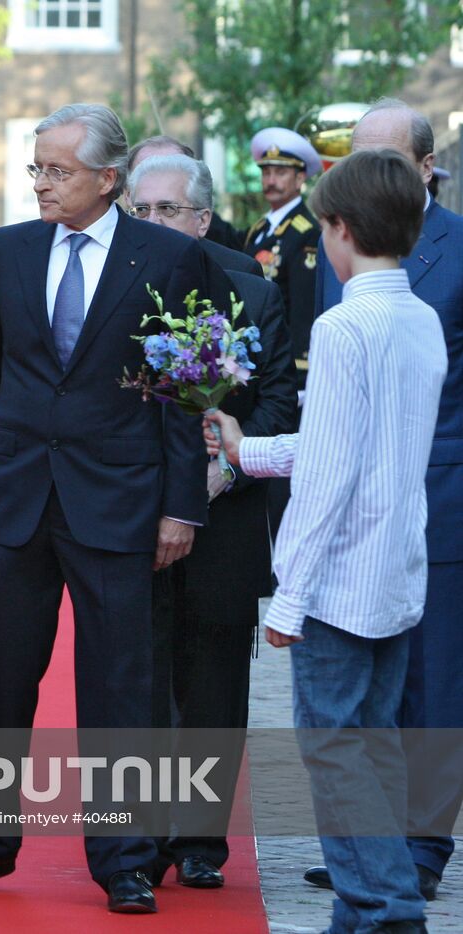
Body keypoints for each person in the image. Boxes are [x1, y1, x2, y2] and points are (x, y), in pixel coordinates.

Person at [0, 103, 224, 914]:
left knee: (119, 690)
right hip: (16, 499)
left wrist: (182, 507)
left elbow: (179, 396)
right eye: (35, 167)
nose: (41, 184)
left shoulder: (169, 256)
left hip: (120, 504)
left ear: (108, 179)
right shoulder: (10, 248)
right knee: (4, 684)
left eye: (57, 170)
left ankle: (124, 858)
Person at [206, 147, 445, 934]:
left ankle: (383, 907)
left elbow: (333, 471)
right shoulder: (421, 320)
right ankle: (367, 906)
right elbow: (354, 446)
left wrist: (292, 594)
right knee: (370, 746)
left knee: (336, 751)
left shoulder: (346, 325)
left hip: (343, 578)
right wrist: (250, 451)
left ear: (337, 229)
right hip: (397, 572)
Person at [305, 98, 463, 906]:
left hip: (431, 502)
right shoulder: (349, 264)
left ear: (426, 167)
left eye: (382, 158)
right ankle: (374, 872)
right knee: (367, 716)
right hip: (369, 517)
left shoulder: (454, 255)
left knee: (422, 695)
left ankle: (413, 861)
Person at [126, 155, 297, 888]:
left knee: (215, 683)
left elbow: (279, 405)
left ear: (202, 220)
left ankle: (198, 841)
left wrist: (222, 470)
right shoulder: (113, 294)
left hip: (225, 521)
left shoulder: (256, 295)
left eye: (169, 211)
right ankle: (134, 839)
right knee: (136, 674)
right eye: (143, 212)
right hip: (131, 519)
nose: (156, 225)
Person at [242, 127, 322, 392]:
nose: (271, 180)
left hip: (285, 362)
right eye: (266, 172)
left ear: (300, 178)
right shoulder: (260, 229)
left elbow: (303, 307)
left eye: (280, 172)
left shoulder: (305, 232)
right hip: (258, 354)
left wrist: (302, 369)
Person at [127, 136, 245, 254]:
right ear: (128, 195)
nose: (152, 221)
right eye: (142, 209)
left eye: (167, 208)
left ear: (203, 220)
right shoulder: (112, 261)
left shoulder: (230, 262)